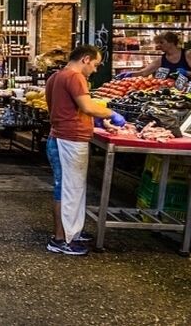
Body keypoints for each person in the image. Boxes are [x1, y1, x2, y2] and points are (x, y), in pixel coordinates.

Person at [45, 45, 126, 256]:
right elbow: (87, 106)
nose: (96, 70)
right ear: (86, 59)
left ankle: (73, 231)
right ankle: (62, 239)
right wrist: (111, 113)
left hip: (61, 137)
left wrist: (96, 122)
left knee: (71, 188)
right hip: (69, 140)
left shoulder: (56, 77)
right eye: (96, 65)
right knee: (67, 190)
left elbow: (63, 109)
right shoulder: (75, 77)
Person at [117, 32, 191, 82]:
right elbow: (144, 72)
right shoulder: (161, 60)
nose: (159, 46)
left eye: (162, 42)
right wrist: (129, 74)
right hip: (173, 92)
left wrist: (186, 73)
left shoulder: (187, 54)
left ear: (171, 42)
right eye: (158, 43)